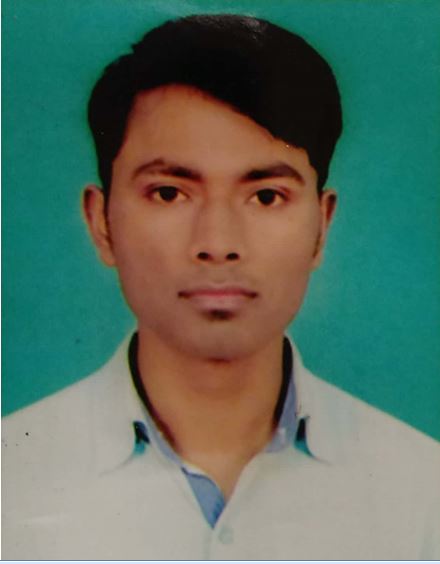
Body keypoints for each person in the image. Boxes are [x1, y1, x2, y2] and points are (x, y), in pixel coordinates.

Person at [2, 14, 439, 560]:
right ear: (101, 222)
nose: (217, 243)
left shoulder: (424, 494)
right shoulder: (12, 479)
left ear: (321, 227)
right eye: (169, 193)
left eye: (265, 196)